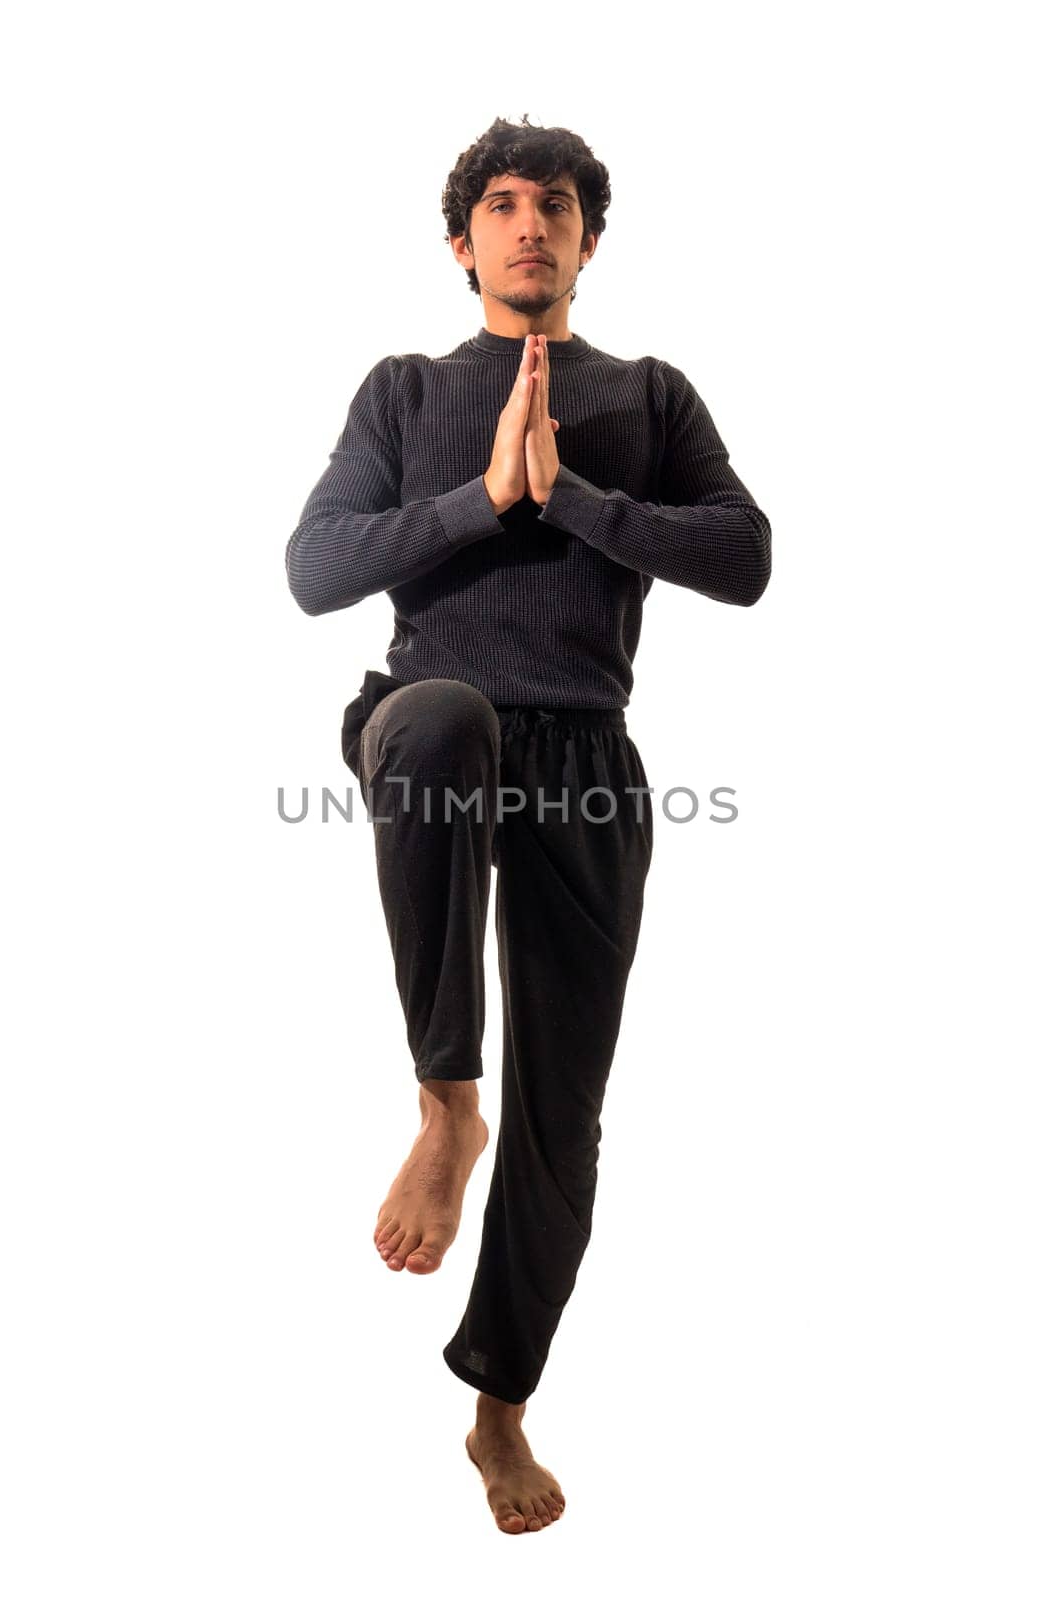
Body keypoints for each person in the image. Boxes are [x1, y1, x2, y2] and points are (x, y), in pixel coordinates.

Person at [284, 113, 771, 1535]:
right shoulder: (405, 389)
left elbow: (745, 558)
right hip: (429, 713)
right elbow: (314, 569)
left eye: (555, 204)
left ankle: (498, 1411)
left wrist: (578, 498)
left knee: (565, 1119)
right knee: (440, 719)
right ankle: (447, 1103)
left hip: (584, 749)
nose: (529, 225)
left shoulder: (652, 395)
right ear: (463, 243)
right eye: (501, 205)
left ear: (589, 239)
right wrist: (483, 494)